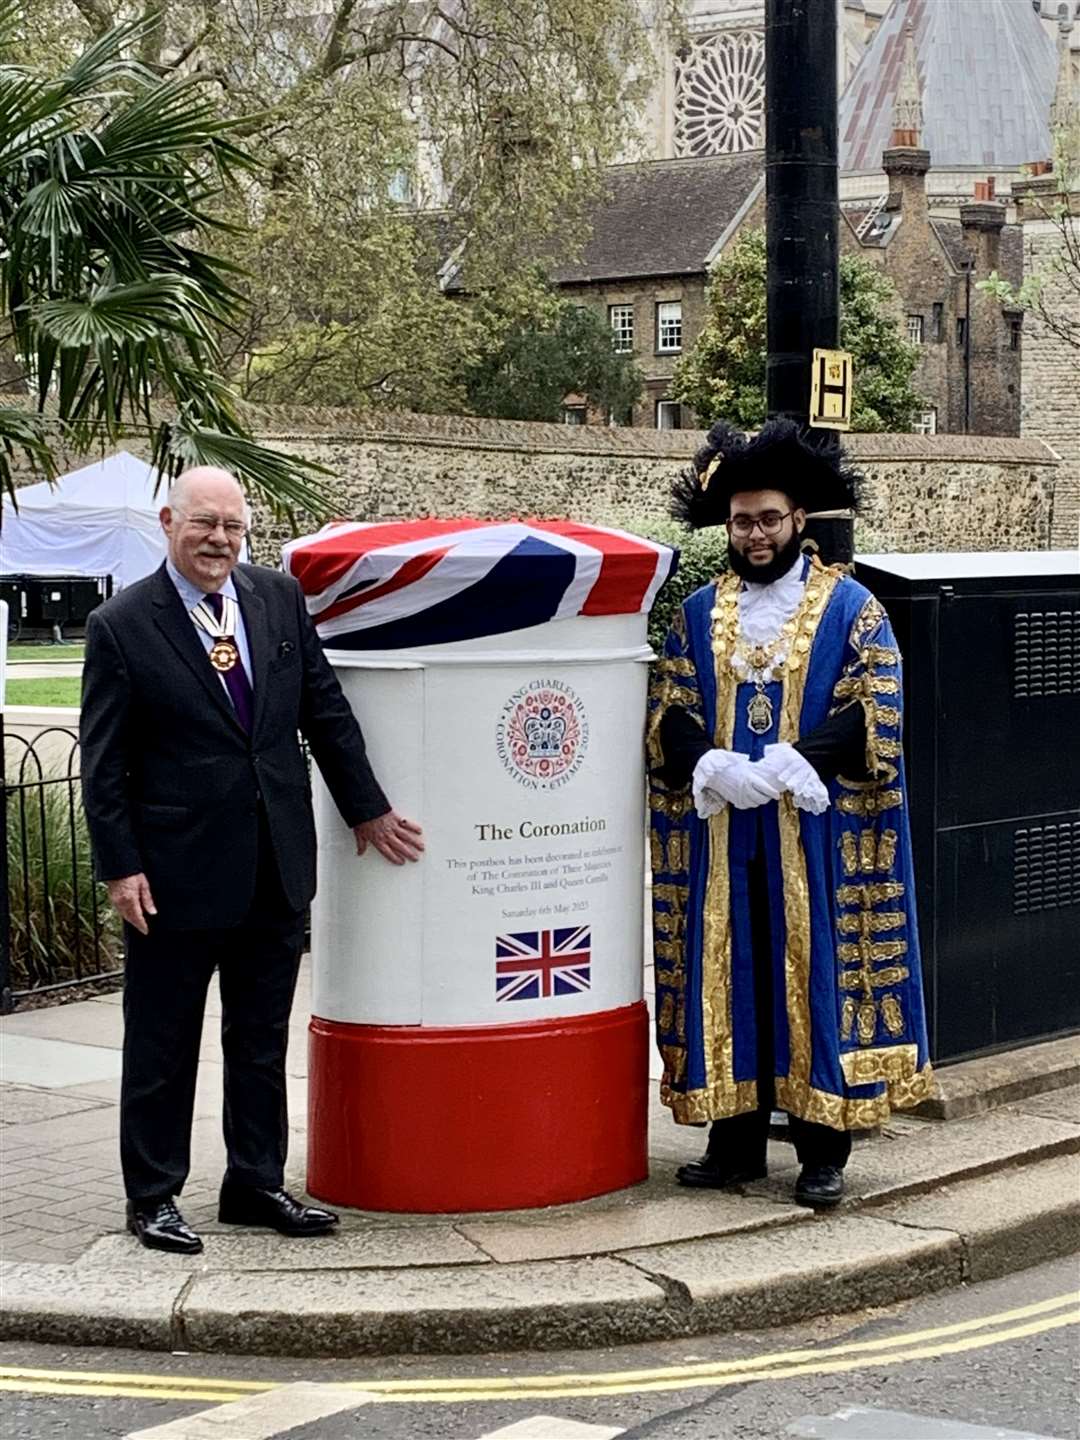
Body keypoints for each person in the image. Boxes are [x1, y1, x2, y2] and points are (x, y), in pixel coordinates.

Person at [80, 467, 424, 1255]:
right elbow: (104, 765)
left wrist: (367, 808)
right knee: (163, 1043)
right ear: (168, 521)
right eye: (205, 524)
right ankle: (154, 1196)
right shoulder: (121, 625)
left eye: (233, 527)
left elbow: (324, 709)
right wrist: (120, 865)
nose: (220, 541)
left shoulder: (276, 599)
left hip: (274, 864)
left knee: (260, 1036)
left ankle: (255, 1183)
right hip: (171, 875)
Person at [647, 420, 932, 1209]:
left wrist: (797, 760)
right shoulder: (698, 612)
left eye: (769, 518)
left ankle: (821, 1146)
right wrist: (708, 759)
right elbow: (669, 700)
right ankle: (733, 1142)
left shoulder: (854, 608)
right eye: (742, 520)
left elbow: (878, 704)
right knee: (730, 972)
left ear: (799, 519)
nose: (756, 533)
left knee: (813, 974)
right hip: (726, 835)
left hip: (816, 836)